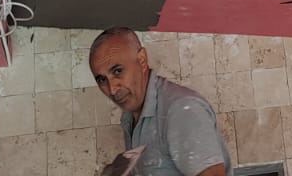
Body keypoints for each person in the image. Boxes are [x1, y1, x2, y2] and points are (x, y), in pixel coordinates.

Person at [89, 27, 231, 176]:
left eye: (118, 71)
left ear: (142, 60)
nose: (112, 89)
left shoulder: (180, 111)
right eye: (102, 80)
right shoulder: (130, 116)